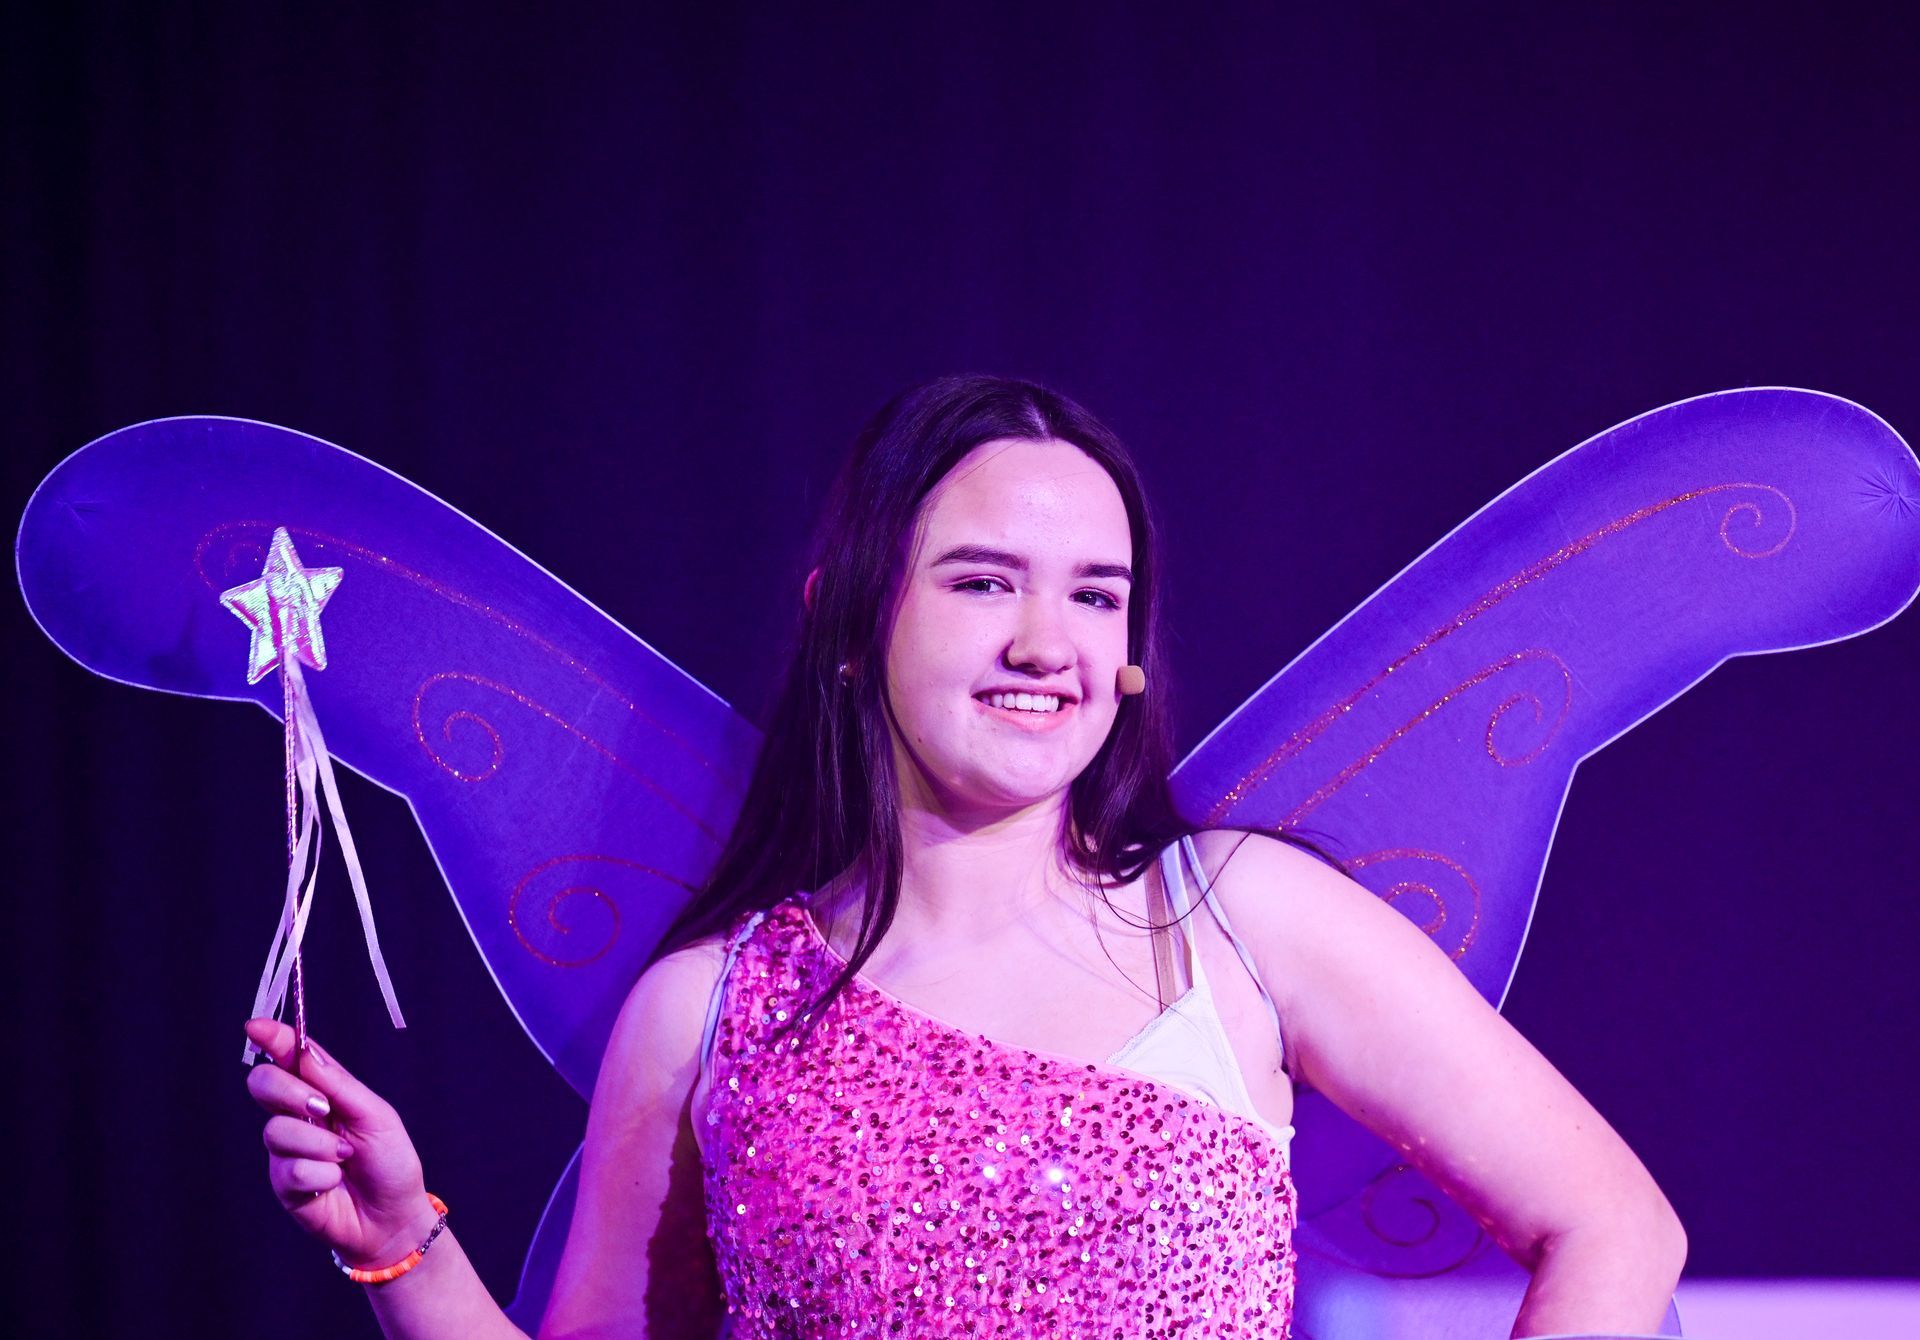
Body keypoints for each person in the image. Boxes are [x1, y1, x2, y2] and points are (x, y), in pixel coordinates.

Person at [244, 375, 1687, 1338]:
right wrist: (401, 1244)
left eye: (1097, 596)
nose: (1048, 644)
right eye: (986, 583)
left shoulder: (1246, 924)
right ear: (853, 620)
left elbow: (1614, 1226)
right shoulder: (708, 1010)